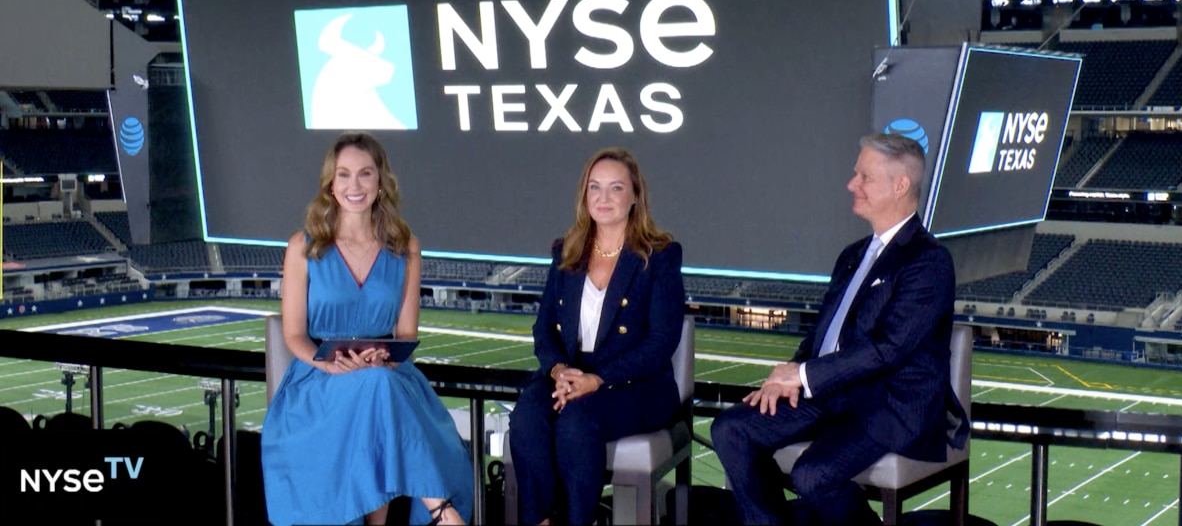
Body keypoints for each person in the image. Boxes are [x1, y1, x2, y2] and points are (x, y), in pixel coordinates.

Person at [711, 132, 964, 526]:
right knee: (731, 430)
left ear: (899, 186)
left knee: (813, 475)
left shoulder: (928, 262)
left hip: (888, 406)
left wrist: (802, 375)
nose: (852, 185)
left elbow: (888, 349)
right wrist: (788, 375)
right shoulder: (852, 255)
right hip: (830, 393)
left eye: (864, 176)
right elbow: (822, 335)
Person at [261, 132, 473, 526]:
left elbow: (406, 334)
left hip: (388, 373)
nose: (353, 186)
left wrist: (382, 358)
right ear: (330, 183)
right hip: (318, 381)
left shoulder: (405, 246)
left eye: (364, 174)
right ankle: (441, 510)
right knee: (377, 389)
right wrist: (330, 366)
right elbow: (293, 334)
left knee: (378, 385)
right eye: (343, 175)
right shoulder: (302, 247)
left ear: (381, 182)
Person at [508, 147, 686, 526]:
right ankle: (539, 521)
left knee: (576, 418)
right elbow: (543, 329)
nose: (603, 198)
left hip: (635, 385)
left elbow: (660, 344)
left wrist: (596, 379)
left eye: (616, 188)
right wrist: (558, 371)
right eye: (595, 188)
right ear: (584, 195)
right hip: (569, 375)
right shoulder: (565, 252)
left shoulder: (660, 256)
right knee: (528, 414)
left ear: (635, 195)